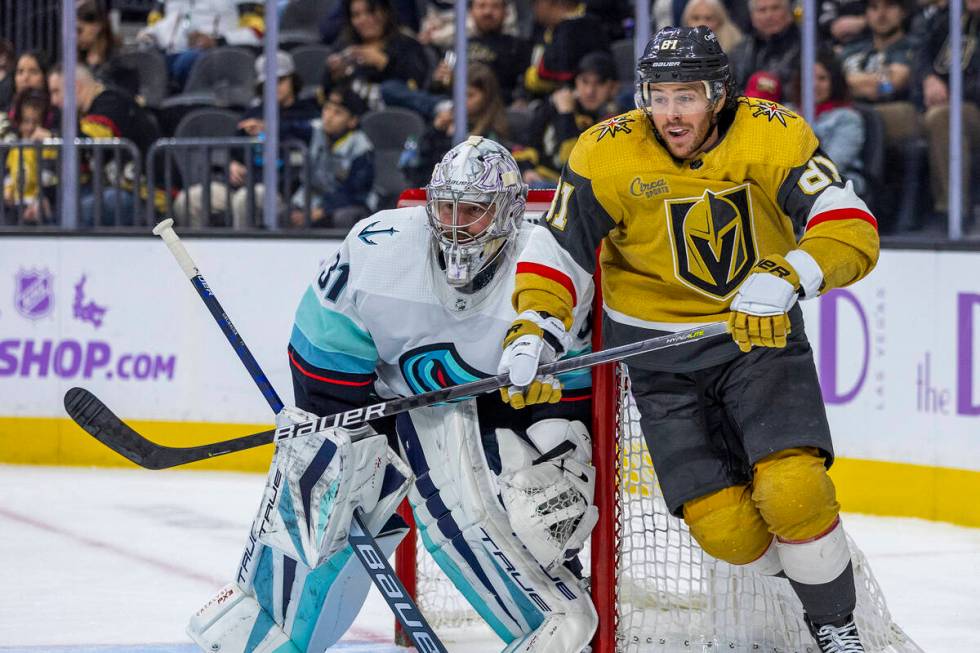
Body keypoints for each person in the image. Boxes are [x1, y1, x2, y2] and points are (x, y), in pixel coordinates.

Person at [497, 26, 883, 653]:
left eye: (687, 97)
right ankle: (812, 578)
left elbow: (849, 222)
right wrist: (534, 327)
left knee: (793, 491)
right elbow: (556, 250)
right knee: (726, 532)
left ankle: (836, 626)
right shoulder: (606, 152)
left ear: (720, 94)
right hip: (660, 364)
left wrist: (789, 275)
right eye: (658, 96)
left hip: (757, 340)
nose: (670, 114)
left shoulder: (772, 133)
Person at [187, 136, 600, 653]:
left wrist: (552, 442)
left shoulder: (545, 264)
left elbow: (574, 388)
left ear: (508, 214)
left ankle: (553, 622)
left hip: (497, 414)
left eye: (471, 210)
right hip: (384, 401)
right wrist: (343, 438)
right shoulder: (379, 249)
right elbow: (322, 341)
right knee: (321, 485)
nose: (453, 223)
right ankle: (269, 624)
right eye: (445, 206)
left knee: (527, 504)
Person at [516, 51, 621, 184]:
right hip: (540, 182)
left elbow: (572, 166)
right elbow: (525, 146)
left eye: (599, 83)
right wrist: (526, 171)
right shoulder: (553, 105)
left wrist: (566, 115)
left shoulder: (616, 121)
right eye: (585, 82)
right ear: (576, 82)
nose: (590, 91)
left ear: (613, 87)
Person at [288, 85, 376, 229]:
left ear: (352, 121)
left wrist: (323, 210)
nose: (328, 117)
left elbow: (355, 192)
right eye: (327, 109)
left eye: (337, 113)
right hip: (310, 198)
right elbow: (288, 129)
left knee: (343, 217)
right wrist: (265, 126)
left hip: (348, 203)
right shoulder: (315, 129)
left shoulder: (362, 147)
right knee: (282, 214)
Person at [809, 50, 867, 198]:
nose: (814, 85)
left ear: (834, 82)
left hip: (838, 185)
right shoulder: (788, 112)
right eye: (809, 78)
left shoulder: (847, 118)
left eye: (822, 78)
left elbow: (833, 164)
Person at [729, 0, 800, 91]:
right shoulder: (740, 50)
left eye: (775, 8)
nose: (769, 16)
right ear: (752, 17)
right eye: (762, 10)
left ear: (789, 12)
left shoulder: (806, 48)